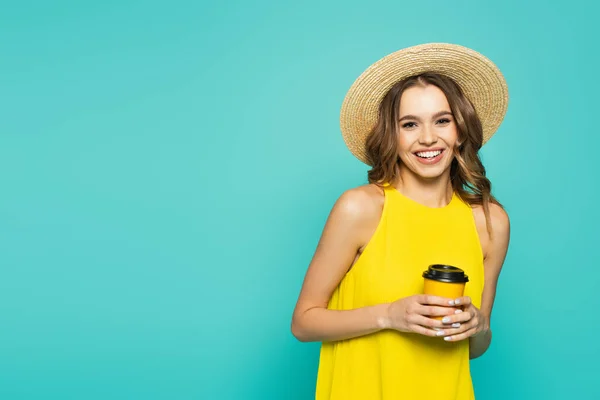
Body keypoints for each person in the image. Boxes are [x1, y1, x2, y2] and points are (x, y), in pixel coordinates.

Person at [291, 43, 511, 400]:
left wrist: (475, 325)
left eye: (442, 120)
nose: (428, 138)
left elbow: (476, 346)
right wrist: (390, 315)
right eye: (410, 124)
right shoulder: (360, 208)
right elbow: (303, 322)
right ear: (391, 135)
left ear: (460, 130)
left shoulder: (491, 222)